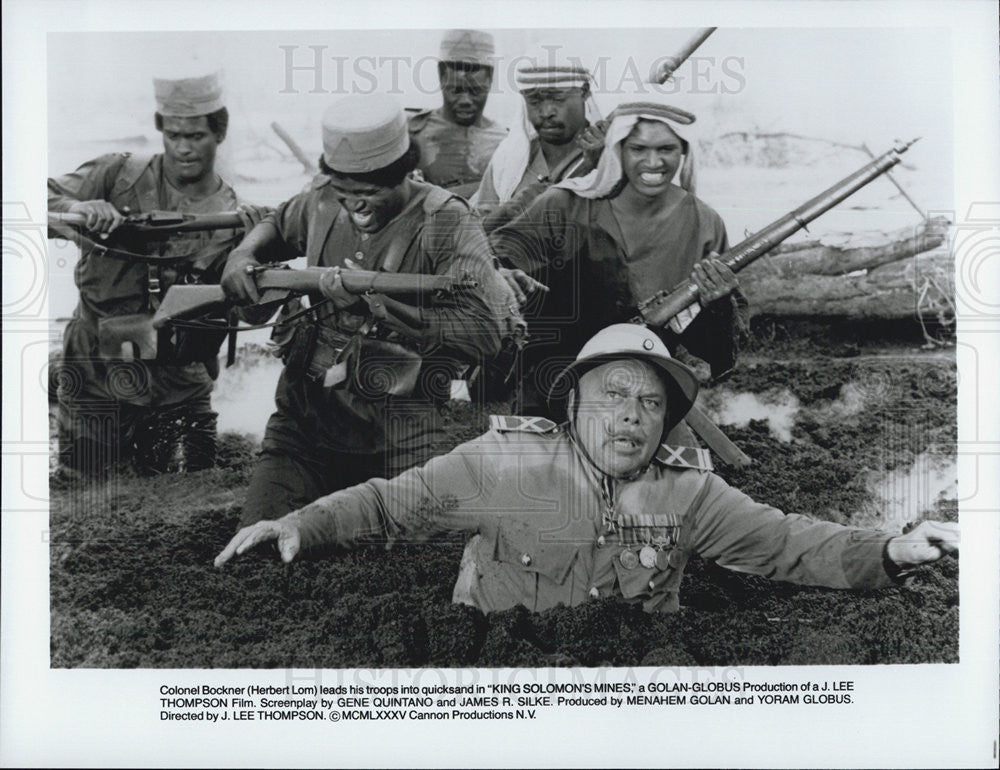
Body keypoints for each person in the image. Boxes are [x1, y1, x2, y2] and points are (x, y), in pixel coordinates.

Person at [215, 324, 959, 616]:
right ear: (573, 405)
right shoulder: (502, 463)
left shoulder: (689, 489)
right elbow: (387, 506)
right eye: (613, 395)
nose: (632, 415)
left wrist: (889, 550)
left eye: (649, 401)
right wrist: (298, 523)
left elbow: (789, 544)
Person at [220, 93, 507, 529]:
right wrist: (242, 256)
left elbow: (486, 333)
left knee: (428, 549)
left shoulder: (448, 222)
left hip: (403, 431)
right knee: (259, 537)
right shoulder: (320, 201)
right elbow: (277, 224)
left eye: (369, 193)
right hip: (304, 427)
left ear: (404, 175)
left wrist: (384, 309)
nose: (354, 206)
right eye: (344, 192)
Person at [49, 70, 266, 477]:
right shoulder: (117, 174)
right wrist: (82, 209)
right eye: (174, 135)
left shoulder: (235, 214)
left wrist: (254, 249)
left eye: (196, 136)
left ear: (219, 135)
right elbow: (29, 199)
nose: (184, 148)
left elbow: (254, 314)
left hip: (178, 384)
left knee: (189, 489)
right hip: (94, 372)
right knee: (82, 488)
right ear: (162, 131)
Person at [488, 101, 748, 421]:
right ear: (618, 150)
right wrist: (503, 274)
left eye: (666, 149)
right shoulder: (565, 203)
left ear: (683, 152)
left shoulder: (705, 224)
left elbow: (719, 355)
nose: (653, 162)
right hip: (553, 384)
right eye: (638, 148)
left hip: (644, 387)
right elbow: (497, 258)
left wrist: (719, 305)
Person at [471, 51, 607, 234]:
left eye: (558, 98)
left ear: (584, 92)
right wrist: (515, 207)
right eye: (534, 101)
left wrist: (601, 168)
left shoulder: (611, 154)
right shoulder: (508, 158)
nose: (546, 112)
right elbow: (475, 232)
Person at [407, 29, 507, 197]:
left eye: (475, 91)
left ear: (490, 80)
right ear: (441, 76)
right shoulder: (413, 133)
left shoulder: (506, 142)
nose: (465, 101)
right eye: (456, 91)